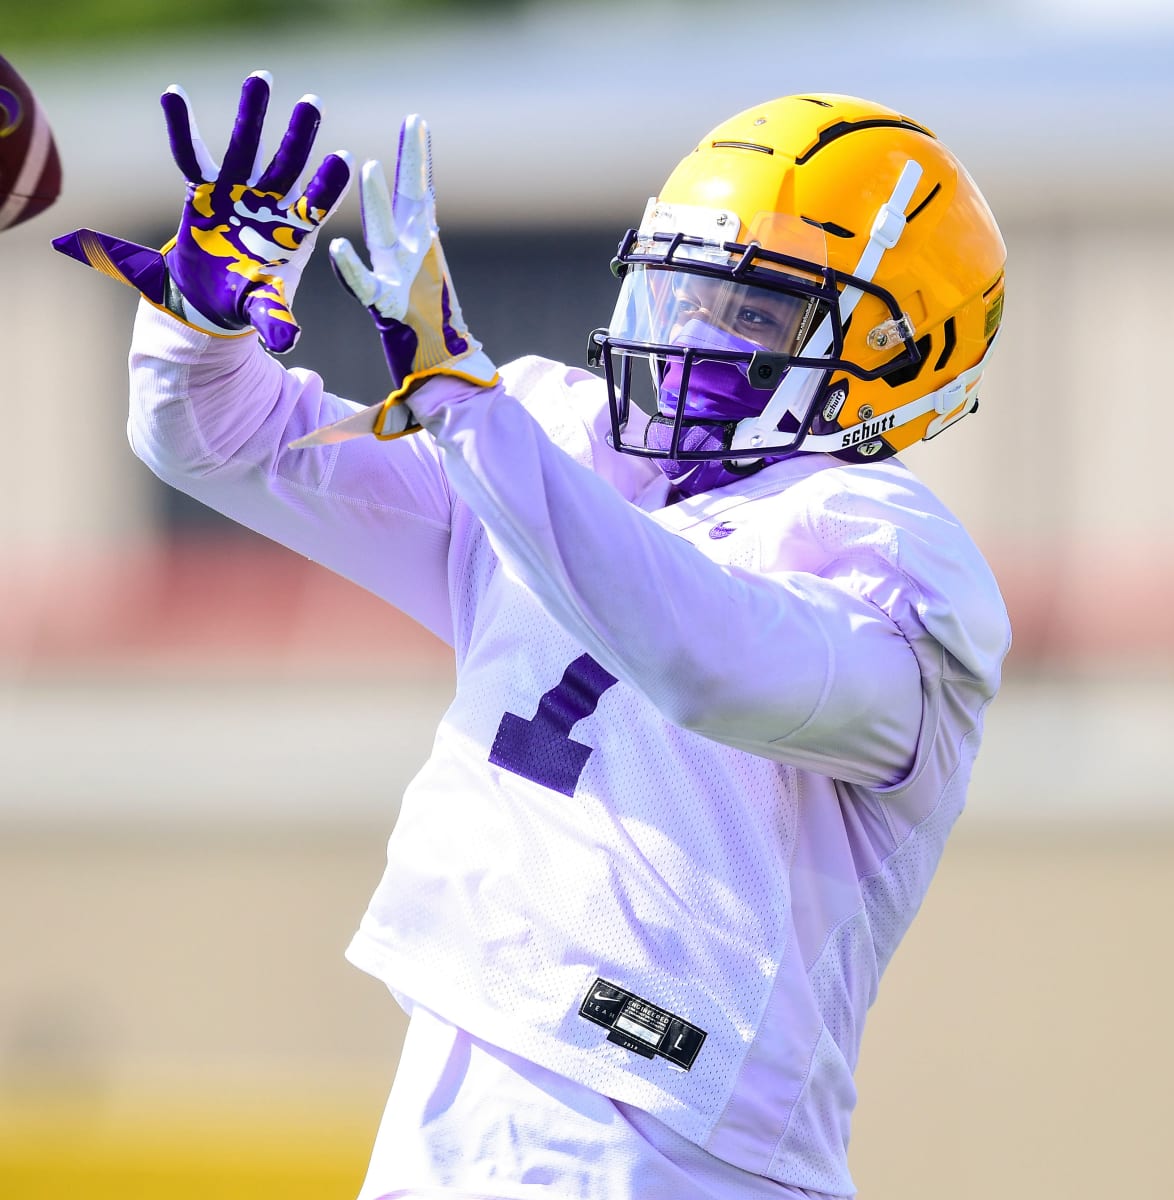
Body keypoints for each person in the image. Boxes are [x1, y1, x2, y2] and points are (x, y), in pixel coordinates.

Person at [54, 72, 1010, 1200]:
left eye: (754, 313)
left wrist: (471, 413)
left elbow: (708, 664)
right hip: (454, 1098)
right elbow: (232, 446)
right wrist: (202, 331)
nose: (693, 335)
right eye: (682, 291)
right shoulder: (556, 443)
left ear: (899, 353)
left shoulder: (888, 551)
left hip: (681, 1150)